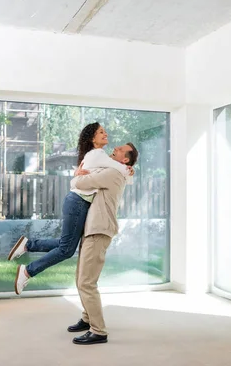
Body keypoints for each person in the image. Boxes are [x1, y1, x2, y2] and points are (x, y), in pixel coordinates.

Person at [7, 122, 134, 295]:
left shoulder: (98, 156)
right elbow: (123, 171)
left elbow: (115, 170)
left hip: (78, 201)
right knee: (66, 250)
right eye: (101, 132)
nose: (106, 134)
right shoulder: (98, 154)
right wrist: (129, 170)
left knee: (65, 245)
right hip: (78, 201)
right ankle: (28, 271)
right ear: (92, 139)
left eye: (105, 131)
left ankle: (28, 245)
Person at [67, 142, 139, 345]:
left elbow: (81, 183)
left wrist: (77, 175)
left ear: (125, 159)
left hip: (99, 230)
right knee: (81, 278)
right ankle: (87, 318)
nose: (114, 147)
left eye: (120, 149)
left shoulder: (113, 174)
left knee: (86, 282)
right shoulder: (118, 171)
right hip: (92, 229)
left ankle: (98, 331)